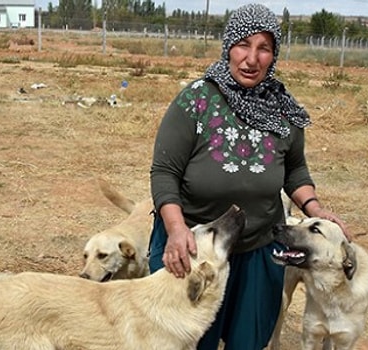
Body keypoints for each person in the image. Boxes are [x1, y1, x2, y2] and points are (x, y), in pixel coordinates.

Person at [148, 3, 352, 350]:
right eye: (243, 44)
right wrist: (176, 229)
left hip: (258, 251)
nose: (251, 58)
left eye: (264, 48)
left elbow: (294, 169)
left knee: (249, 342)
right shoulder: (196, 100)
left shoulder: (282, 109)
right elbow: (165, 170)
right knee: (188, 341)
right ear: (228, 45)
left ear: (274, 55)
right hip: (197, 247)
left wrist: (314, 208)